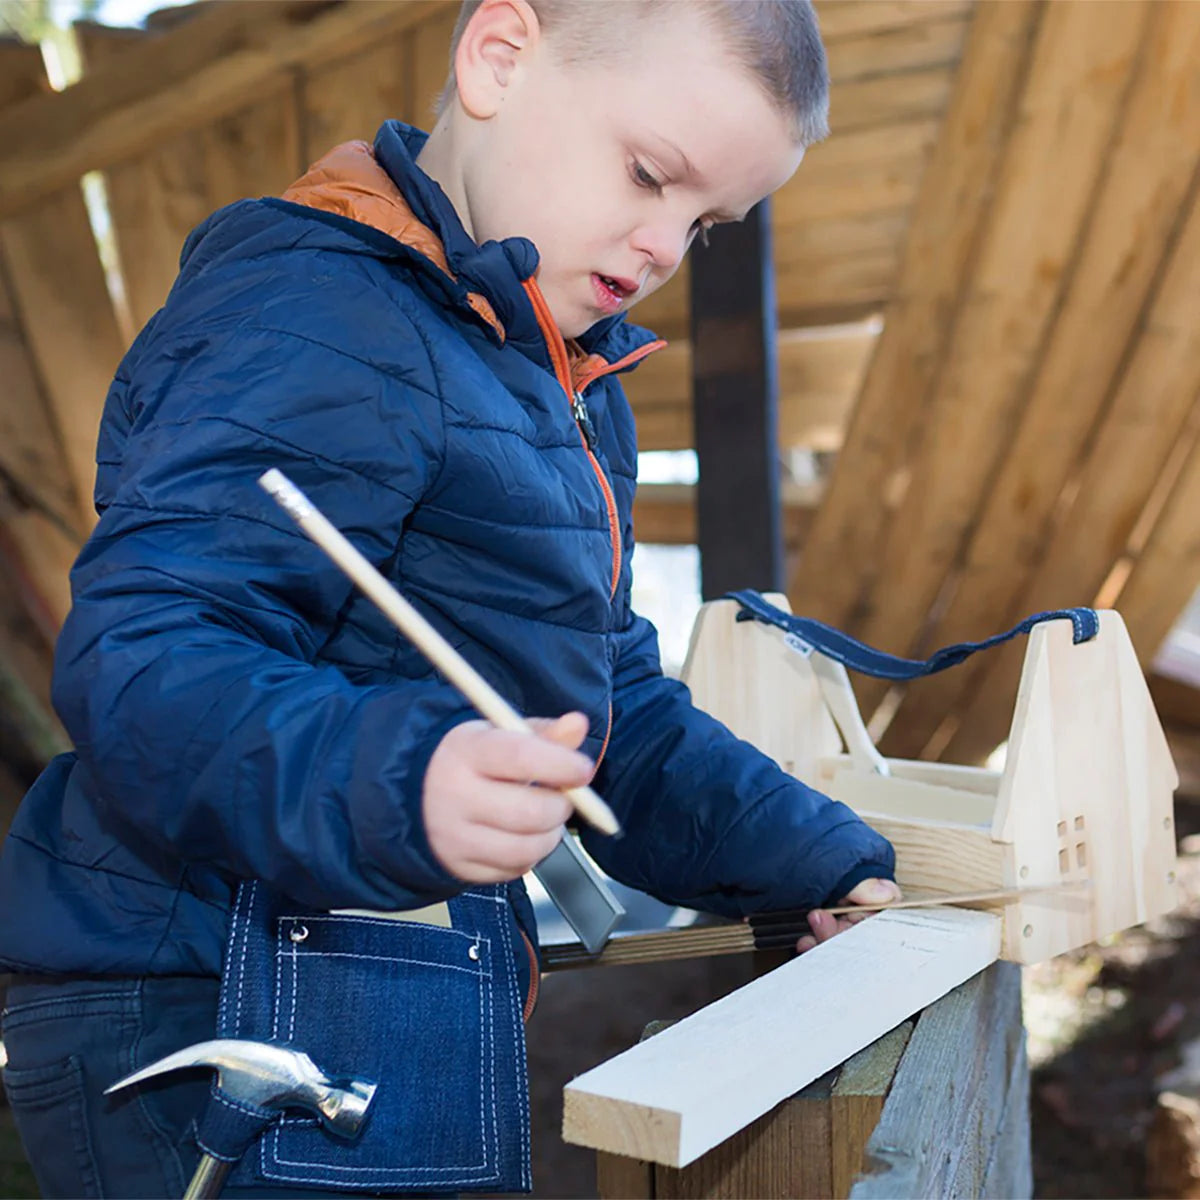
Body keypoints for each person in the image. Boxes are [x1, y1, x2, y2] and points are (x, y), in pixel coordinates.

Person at [0, 1, 900, 1195]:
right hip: (207, 984)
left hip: (394, 973)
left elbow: (608, 704)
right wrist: (404, 780)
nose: (663, 243)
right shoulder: (317, 313)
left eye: (706, 222)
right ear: (499, 55)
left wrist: (819, 862)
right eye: (647, 174)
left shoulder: (560, 381)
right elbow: (148, 654)